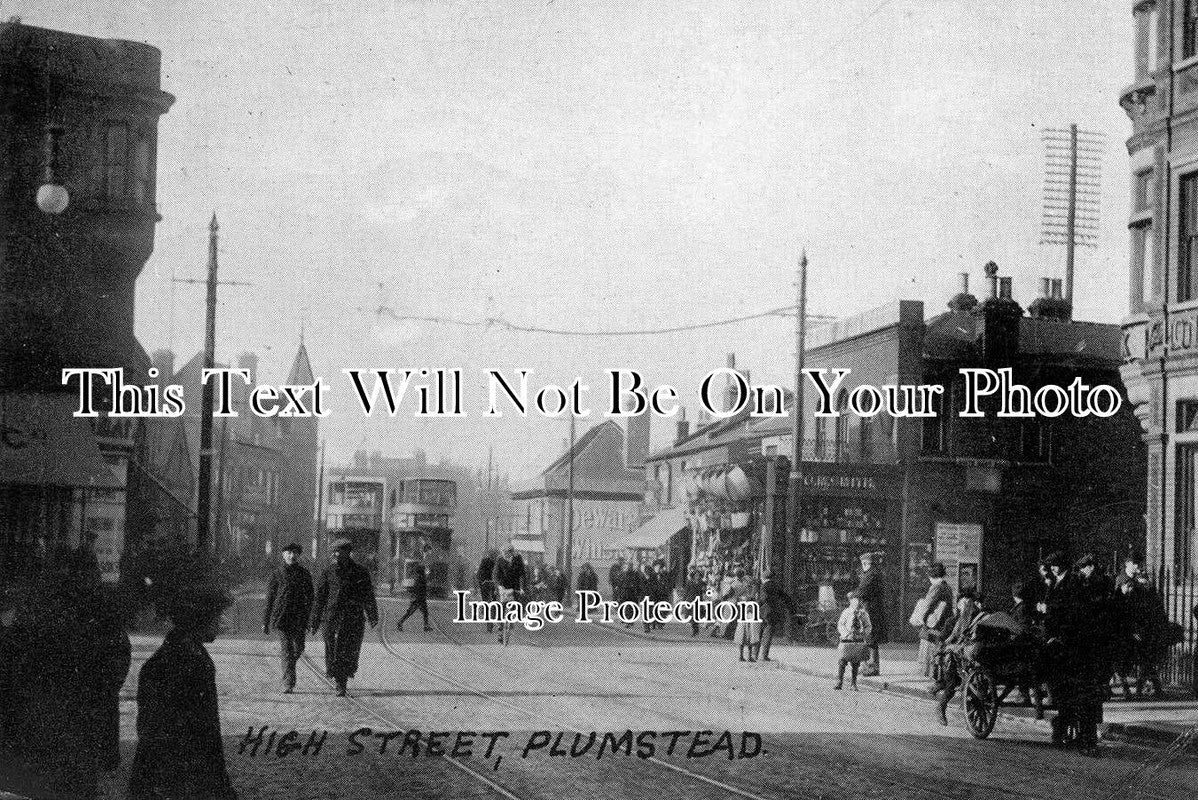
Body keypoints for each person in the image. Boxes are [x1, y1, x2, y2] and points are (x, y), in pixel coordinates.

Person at [128, 581, 237, 800]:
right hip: (184, 775)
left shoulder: (160, 658)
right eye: (216, 617)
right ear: (201, 620)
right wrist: (221, 786)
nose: (221, 623)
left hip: (154, 772)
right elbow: (207, 731)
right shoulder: (197, 662)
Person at [309, 539, 378, 696]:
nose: (334, 554)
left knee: (349, 650)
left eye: (338, 551)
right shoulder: (327, 572)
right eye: (333, 551)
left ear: (348, 552)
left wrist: (372, 614)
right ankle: (337, 677)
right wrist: (314, 620)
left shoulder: (361, 572)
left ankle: (342, 680)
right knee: (332, 648)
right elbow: (320, 598)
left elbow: (368, 595)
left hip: (352, 617)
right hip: (332, 617)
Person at [263, 542, 314, 694]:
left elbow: (311, 598)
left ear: (299, 555)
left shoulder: (304, 574)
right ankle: (288, 683)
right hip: (282, 618)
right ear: (283, 554)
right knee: (286, 650)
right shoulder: (276, 574)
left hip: (299, 618)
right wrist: (265, 621)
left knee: (299, 648)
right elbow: (269, 599)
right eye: (288, 552)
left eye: (295, 553)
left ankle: (288, 669)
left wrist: (311, 619)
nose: (292, 556)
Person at [935, 588, 984, 724]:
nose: (967, 606)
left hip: (966, 656)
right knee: (951, 685)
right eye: (965, 604)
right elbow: (950, 637)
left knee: (962, 684)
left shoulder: (974, 618)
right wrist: (944, 646)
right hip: (958, 658)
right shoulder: (956, 620)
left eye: (969, 604)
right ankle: (941, 707)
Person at [916, 562, 954, 678]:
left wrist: (921, 618)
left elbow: (928, 605)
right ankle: (939, 673)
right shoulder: (947, 587)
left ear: (932, 576)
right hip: (945, 621)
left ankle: (931, 672)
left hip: (934, 622)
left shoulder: (935, 587)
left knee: (930, 645)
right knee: (940, 647)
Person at [855, 552, 887, 676]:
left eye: (863, 564)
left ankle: (872, 667)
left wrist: (852, 595)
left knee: (871, 638)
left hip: (871, 609)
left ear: (866, 563)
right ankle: (867, 666)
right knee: (868, 638)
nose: (862, 566)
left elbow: (863, 590)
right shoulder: (874, 573)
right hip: (871, 609)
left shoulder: (871, 574)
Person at [834, 590, 871, 690]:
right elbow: (840, 624)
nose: (857, 602)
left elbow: (868, 626)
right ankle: (839, 681)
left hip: (858, 640)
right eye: (855, 600)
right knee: (842, 661)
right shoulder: (846, 612)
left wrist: (863, 634)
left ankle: (853, 683)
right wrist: (845, 633)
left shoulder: (864, 614)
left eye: (859, 600)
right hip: (847, 640)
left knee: (855, 662)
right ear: (850, 601)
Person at [491, 542, 527, 642]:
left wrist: (523, 588)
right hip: (502, 586)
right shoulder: (500, 559)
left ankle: (511, 622)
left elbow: (523, 574)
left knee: (515, 606)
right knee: (500, 608)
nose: (505, 555)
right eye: (504, 553)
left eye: (507, 553)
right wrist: (499, 586)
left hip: (514, 586)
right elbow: (495, 575)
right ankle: (500, 630)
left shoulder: (518, 559)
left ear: (511, 553)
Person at [759, 571, 795, 661]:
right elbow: (785, 597)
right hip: (773, 612)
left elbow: (763, 598)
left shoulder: (764, 586)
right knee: (769, 633)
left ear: (764, 578)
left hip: (763, 612)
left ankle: (755, 654)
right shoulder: (776, 585)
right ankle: (764, 654)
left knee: (759, 632)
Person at [396, 561, 433, 632]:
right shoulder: (422, 578)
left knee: (418, 612)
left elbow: (417, 587)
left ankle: (426, 626)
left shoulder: (419, 577)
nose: (425, 570)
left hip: (418, 597)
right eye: (424, 569)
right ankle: (400, 622)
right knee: (412, 612)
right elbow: (421, 587)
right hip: (420, 598)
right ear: (422, 570)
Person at [735, 579, 763, 662]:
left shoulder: (742, 592)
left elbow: (737, 602)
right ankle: (747, 656)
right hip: (750, 615)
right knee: (750, 635)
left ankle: (743, 655)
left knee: (744, 635)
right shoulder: (754, 593)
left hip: (745, 615)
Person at [477, 550, 499, 633]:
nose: (494, 557)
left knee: (495, 602)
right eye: (493, 555)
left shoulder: (498, 562)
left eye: (495, 555)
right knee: (486, 600)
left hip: (494, 584)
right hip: (485, 583)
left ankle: (493, 618)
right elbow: (480, 573)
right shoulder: (485, 561)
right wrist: (482, 581)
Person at [684, 569, 707, 638]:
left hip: (699, 601)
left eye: (699, 575)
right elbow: (686, 591)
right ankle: (695, 629)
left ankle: (695, 630)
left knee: (696, 616)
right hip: (691, 600)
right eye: (696, 575)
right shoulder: (689, 582)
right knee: (691, 616)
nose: (697, 576)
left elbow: (705, 591)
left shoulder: (702, 583)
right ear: (693, 576)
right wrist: (683, 600)